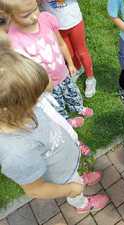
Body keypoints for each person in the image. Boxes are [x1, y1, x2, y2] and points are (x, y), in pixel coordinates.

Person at [0, 46, 109, 213]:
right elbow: (35, 189)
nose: (43, 96)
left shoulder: (17, 106)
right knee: (75, 189)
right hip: (60, 177)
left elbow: (48, 86)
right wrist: (71, 189)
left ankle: (77, 178)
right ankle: (81, 204)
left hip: (64, 160)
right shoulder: (15, 153)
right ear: (14, 107)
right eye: (37, 97)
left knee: (75, 179)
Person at [0, 0, 93, 128]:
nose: (34, 16)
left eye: (35, 9)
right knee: (57, 105)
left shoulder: (46, 19)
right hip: (46, 84)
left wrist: (70, 63)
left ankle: (78, 107)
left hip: (63, 72)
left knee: (72, 92)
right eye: (26, 15)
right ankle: (66, 122)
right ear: (10, 16)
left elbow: (60, 43)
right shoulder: (14, 39)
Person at [39, 0, 97, 98]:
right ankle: (77, 69)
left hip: (74, 21)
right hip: (57, 26)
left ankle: (91, 79)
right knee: (69, 53)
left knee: (82, 52)